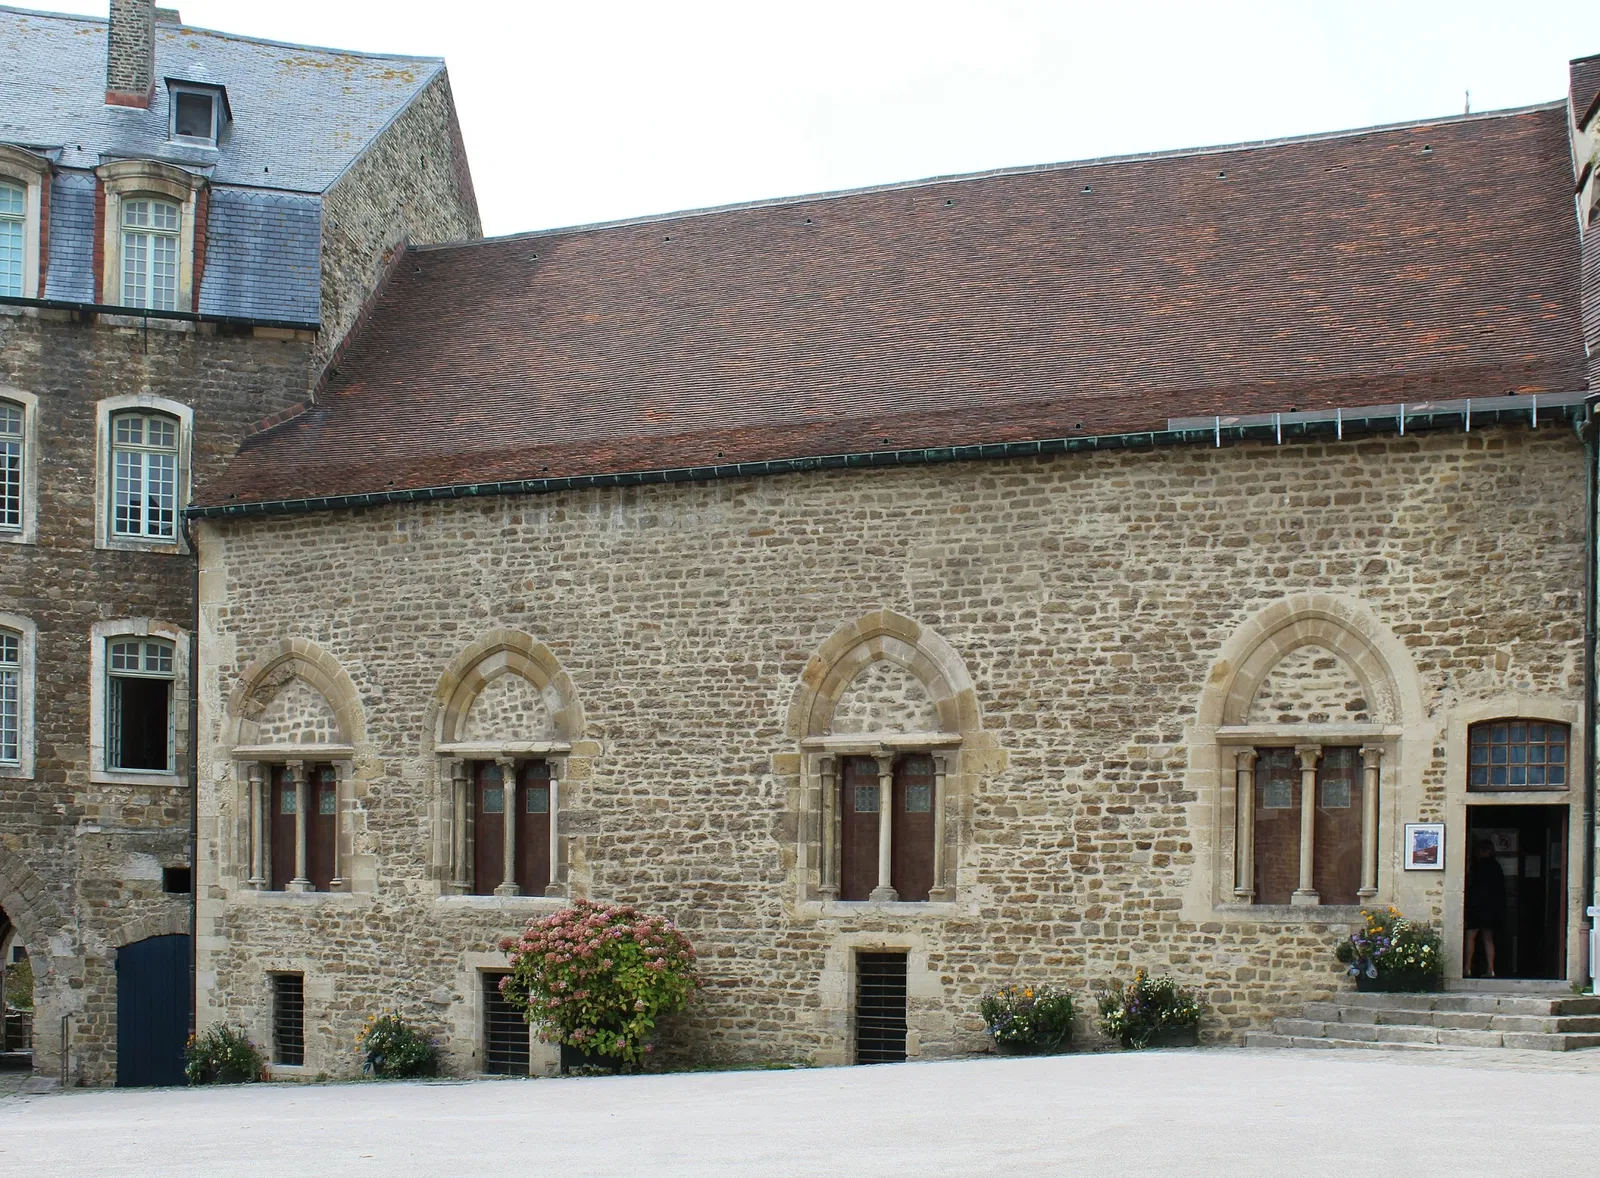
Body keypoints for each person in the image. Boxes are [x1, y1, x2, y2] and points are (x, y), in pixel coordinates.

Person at [1464, 838, 1505, 978]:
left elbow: (1472, 887)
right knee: (1488, 938)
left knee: (1470, 937)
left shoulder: (1477, 867)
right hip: (1491, 908)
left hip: (1476, 906)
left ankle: (1467, 968)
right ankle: (1491, 969)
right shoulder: (1497, 866)